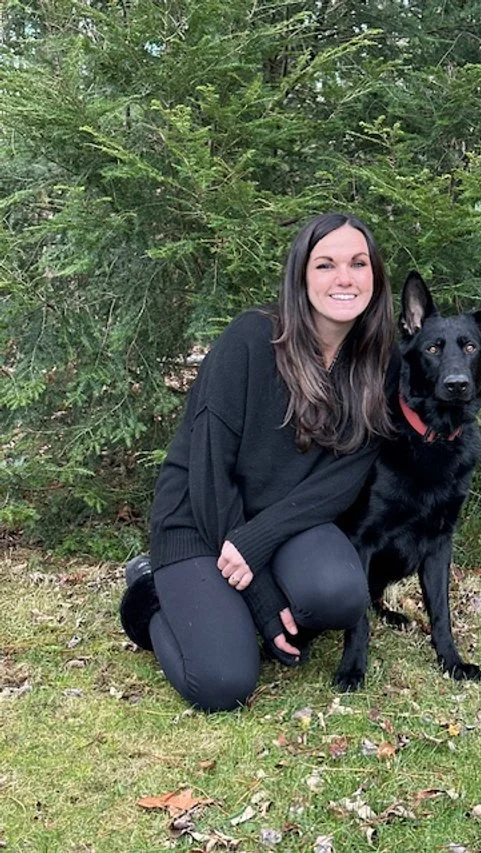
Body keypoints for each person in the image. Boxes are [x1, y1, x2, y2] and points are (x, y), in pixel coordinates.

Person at [119, 212, 397, 712]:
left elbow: (341, 481)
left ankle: (227, 607)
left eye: (358, 263)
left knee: (338, 593)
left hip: (281, 525)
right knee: (223, 683)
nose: (344, 278)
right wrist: (262, 599)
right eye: (325, 264)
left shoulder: (379, 363)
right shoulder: (252, 339)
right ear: (300, 276)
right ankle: (149, 594)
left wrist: (257, 541)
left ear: (375, 276)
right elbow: (206, 470)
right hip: (200, 520)